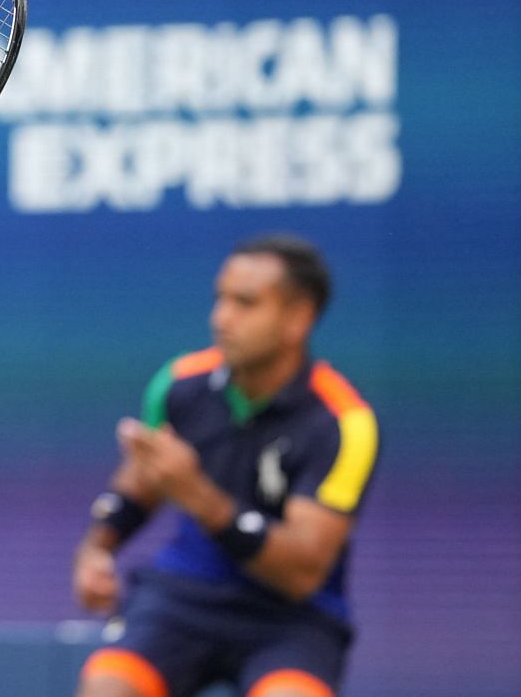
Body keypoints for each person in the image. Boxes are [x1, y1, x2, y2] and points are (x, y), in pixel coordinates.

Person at [73, 236, 379, 697]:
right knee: (107, 687)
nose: (221, 318)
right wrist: (96, 550)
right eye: (220, 299)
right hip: (182, 597)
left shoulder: (344, 423)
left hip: (292, 618)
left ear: (298, 319)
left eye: (245, 303)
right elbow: (136, 486)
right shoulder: (180, 384)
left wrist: (198, 495)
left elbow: (301, 571)